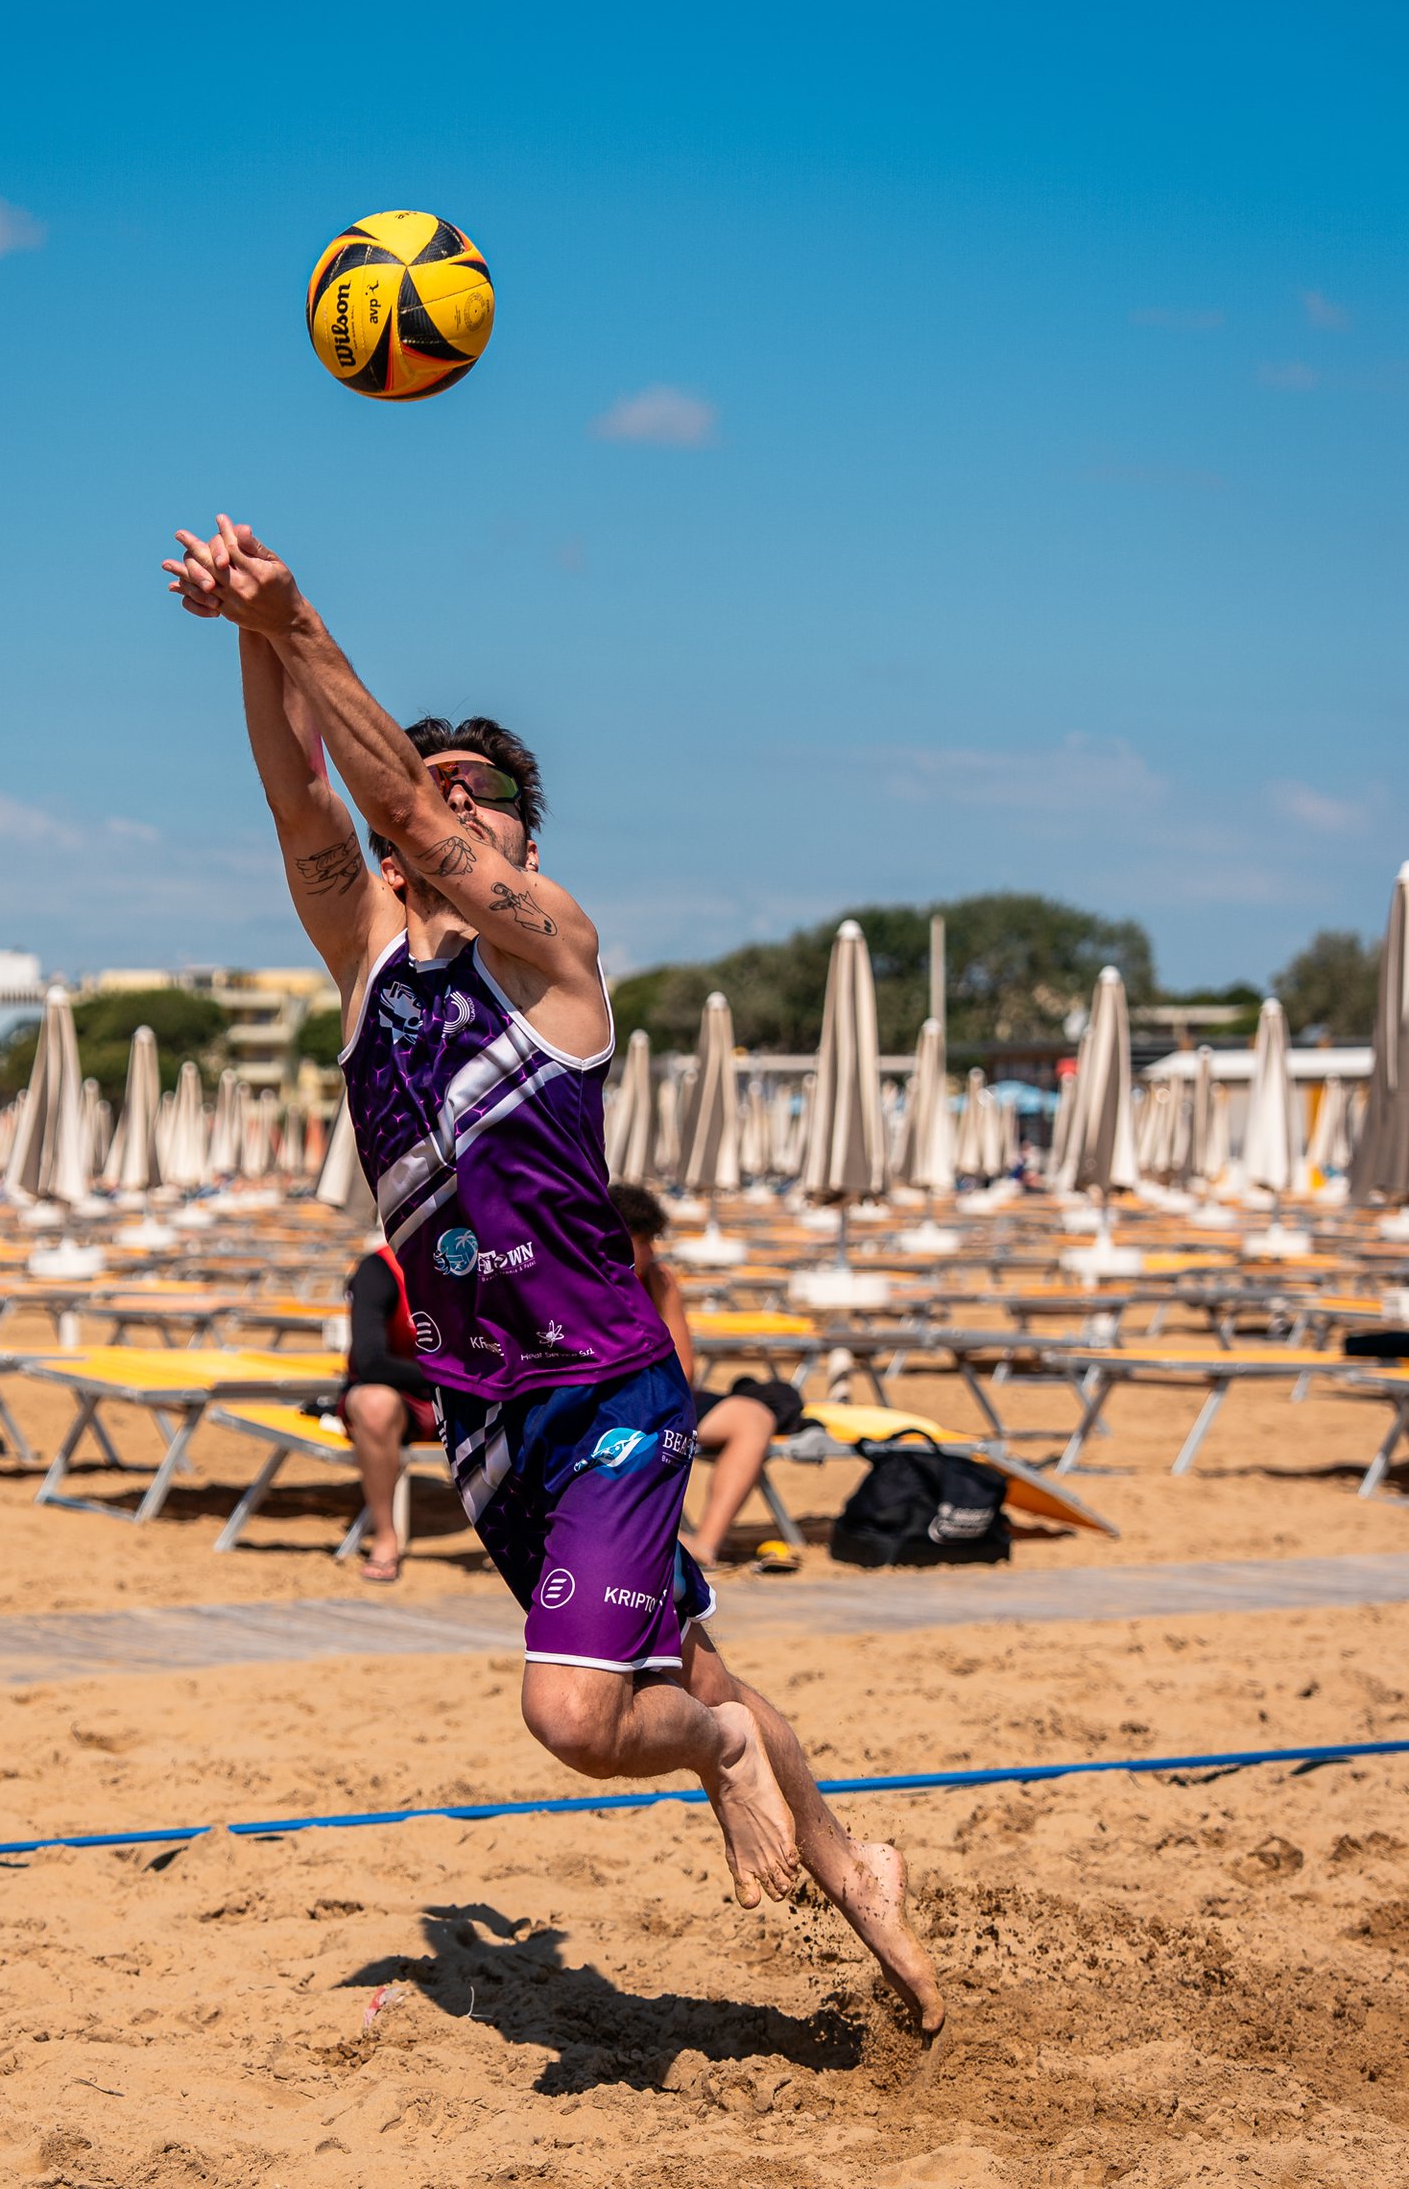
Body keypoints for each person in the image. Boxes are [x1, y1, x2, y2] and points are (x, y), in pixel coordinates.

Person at [161, 515, 944, 2036]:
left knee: (578, 1715)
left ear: (524, 840)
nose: (454, 803)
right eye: (436, 791)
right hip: (486, 1412)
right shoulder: (366, 959)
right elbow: (304, 791)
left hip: (606, 1389)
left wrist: (298, 615)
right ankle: (859, 1867)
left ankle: (723, 1760)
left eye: (486, 795)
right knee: (690, 1661)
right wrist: (253, 637)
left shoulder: (555, 952)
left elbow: (384, 789)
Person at [608, 1183, 800, 1568]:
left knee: (754, 1417)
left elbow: (685, 1366)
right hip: (602, 1404)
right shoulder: (577, 1282)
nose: (651, 1251)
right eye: (642, 1241)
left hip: (660, 1398)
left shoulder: (659, 1280)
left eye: (651, 1240)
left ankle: (705, 1545)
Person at [311, 1241, 439, 1584]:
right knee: (374, 1404)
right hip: (406, 1396)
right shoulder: (381, 1269)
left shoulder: (486, 1260)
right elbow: (370, 1362)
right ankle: (385, 1535)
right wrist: (450, 1377)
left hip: (462, 1393)